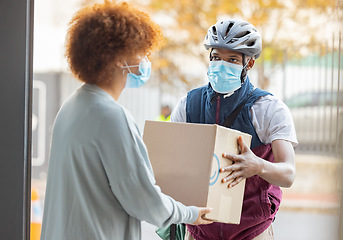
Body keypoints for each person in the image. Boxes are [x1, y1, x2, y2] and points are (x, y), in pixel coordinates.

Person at [40, 1, 213, 240]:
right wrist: (190, 213)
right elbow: (144, 201)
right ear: (120, 59)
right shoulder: (111, 116)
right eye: (140, 51)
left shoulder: (71, 107)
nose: (144, 59)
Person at [171, 18, 297, 240]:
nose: (221, 64)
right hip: (199, 229)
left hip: (251, 231)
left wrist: (257, 165)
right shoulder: (188, 105)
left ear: (248, 64)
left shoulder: (268, 109)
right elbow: (170, 162)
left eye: (232, 59)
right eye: (216, 57)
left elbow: (288, 174)